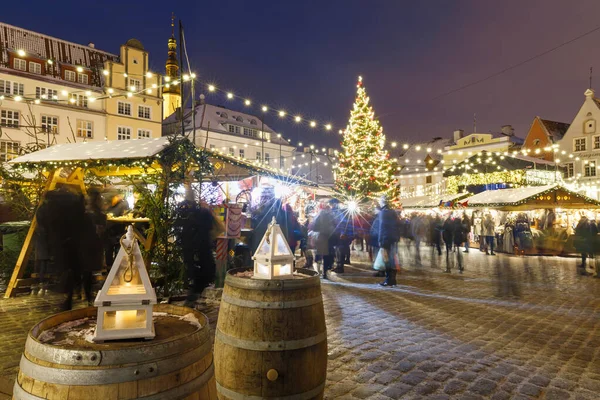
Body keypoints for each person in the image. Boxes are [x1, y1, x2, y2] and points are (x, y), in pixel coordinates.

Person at [174, 200, 220, 306]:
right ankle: (191, 299)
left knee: (198, 277)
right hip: (201, 252)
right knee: (202, 276)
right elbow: (212, 228)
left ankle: (192, 299)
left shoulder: (190, 220)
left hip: (195, 252)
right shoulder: (203, 217)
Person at [375, 195, 400, 287]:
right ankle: (393, 279)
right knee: (393, 258)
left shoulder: (383, 213)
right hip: (393, 239)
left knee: (387, 260)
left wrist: (380, 240)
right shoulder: (393, 212)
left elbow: (382, 227)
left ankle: (388, 279)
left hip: (386, 239)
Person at [311, 200, 338, 279]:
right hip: (329, 237)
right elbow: (336, 225)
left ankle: (318, 272)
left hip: (321, 237)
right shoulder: (332, 215)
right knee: (327, 256)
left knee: (319, 254)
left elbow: (314, 226)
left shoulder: (319, 215)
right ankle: (325, 272)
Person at [104, 193, 130, 267]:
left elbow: (126, 215)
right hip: (108, 231)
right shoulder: (108, 204)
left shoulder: (123, 204)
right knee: (108, 251)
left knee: (118, 251)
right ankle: (109, 269)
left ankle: (117, 268)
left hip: (119, 231)